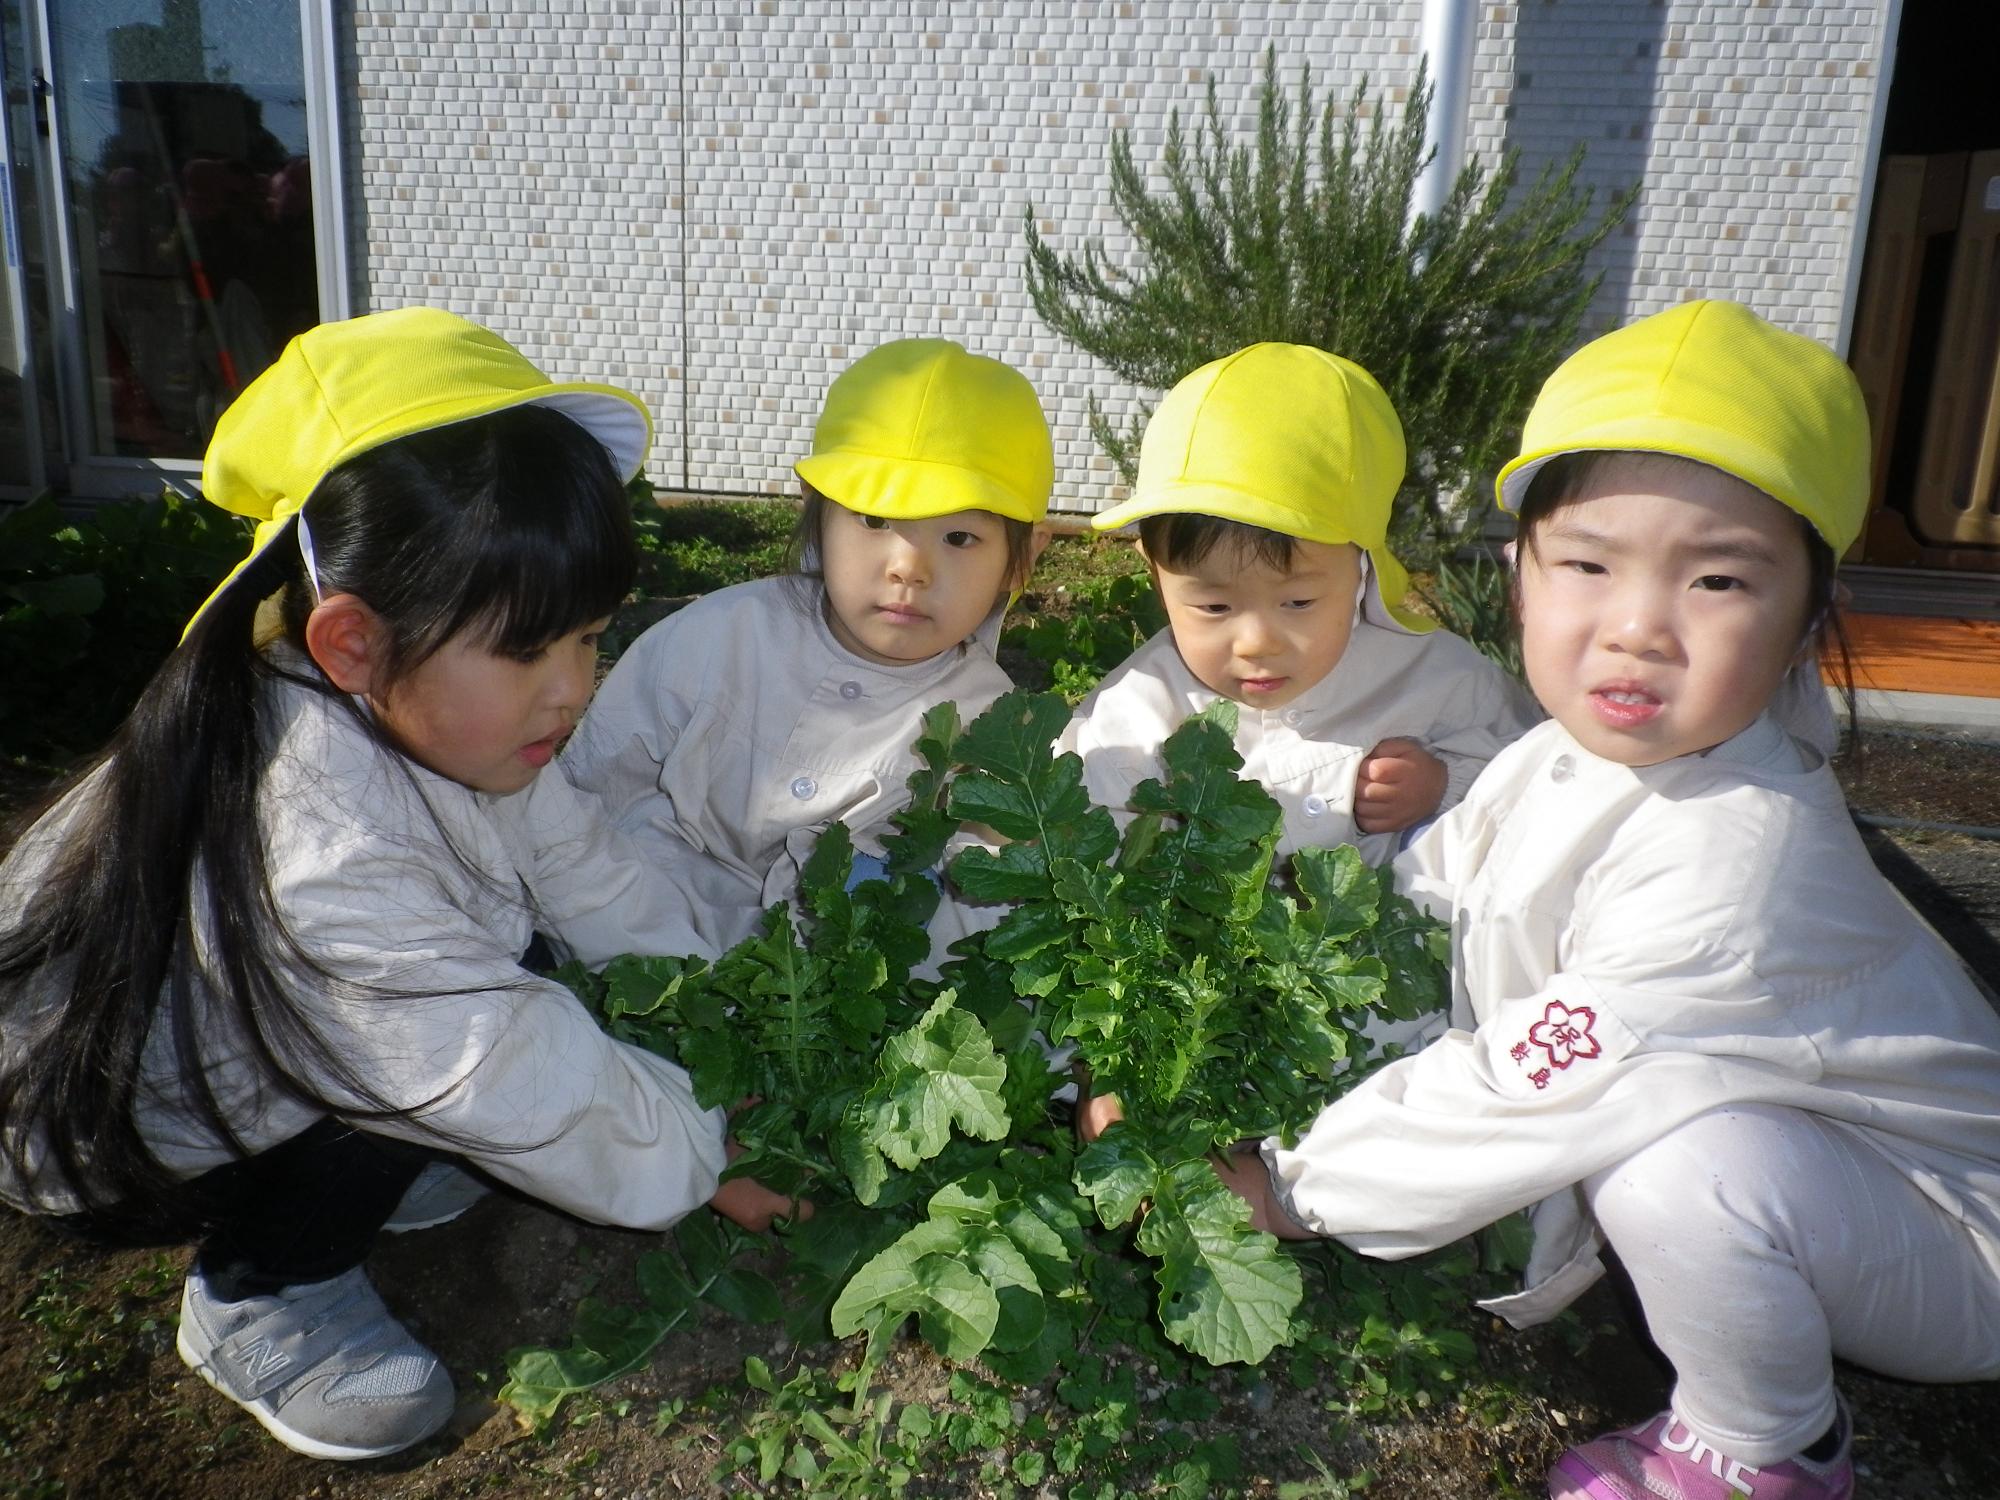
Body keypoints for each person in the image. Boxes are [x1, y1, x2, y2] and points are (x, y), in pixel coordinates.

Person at [1192, 300, 2000, 1500]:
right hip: (1831, 1178)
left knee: (1674, 1168)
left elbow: (1536, 1078)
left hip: (1953, 1235)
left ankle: (1763, 1450)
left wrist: (1285, 1181)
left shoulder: (1742, 859)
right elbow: (1434, 886)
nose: (1635, 629)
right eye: (1584, 563)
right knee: (1675, 1140)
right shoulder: (1566, 753)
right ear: (1518, 578)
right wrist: (1277, 965)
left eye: (1716, 578)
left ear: (1799, 630)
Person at [0, 308, 798, 1463]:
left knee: (507, 962)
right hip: (101, 1128)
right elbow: (510, 1066)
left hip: (255, 1027)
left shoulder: (426, 705)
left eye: (589, 636)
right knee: (465, 1032)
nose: (572, 688)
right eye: (532, 650)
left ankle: (377, 1160)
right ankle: (263, 1295)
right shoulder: (322, 861)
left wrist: (715, 997)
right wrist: (708, 1149)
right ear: (352, 642)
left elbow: (577, 863)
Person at [563, 337, 1052, 945]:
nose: (908, 567)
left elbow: (982, 902)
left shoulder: (996, 733)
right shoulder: (715, 637)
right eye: (873, 521)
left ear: (1022, 559)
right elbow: (590, 791)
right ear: (816, 512)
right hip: (639, 937)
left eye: (958, 538)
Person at [1059, 342, 1539, 869]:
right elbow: (1073, 821)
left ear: (1362, 571)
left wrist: (1444, 784)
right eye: (1215, 607)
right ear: (1157, 576)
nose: (1256, 642)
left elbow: (1534, 779)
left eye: (1298, 601)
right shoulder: (1137, 707)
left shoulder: (1443, 680)